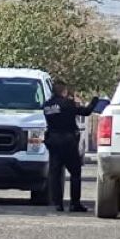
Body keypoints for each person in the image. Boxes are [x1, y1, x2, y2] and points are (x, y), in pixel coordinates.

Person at [42, 83, 94, 214]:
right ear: (64, 91)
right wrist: (95, 101)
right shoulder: (68, 104)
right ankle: (74, 204)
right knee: (75, 173)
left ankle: (58, 204)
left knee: (55, 173)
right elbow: (86, 112)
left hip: (53, 140)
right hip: (68, 141)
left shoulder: (47, 106)